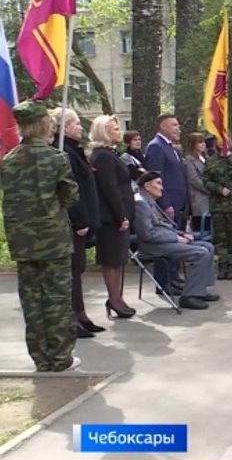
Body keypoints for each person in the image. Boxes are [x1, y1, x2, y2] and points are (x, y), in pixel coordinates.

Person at [2, 102, 80, 372]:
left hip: (22, 242)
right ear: (43, 124)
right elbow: (70, 197)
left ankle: (41, 358)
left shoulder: (8, 161)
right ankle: (61, 358)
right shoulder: (56, 158)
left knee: (32, 301)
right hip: (53, 241)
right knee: (57, 299)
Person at [51, 107, 103, 338]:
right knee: (72, 270)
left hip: (84, 219)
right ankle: (72, 318)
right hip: (73, 222)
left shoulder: (74, 150)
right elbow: (69, 190)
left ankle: (81, 314)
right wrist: (79, 219)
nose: (80, 127)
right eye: (76, 123)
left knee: (78, 268)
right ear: (64, 127)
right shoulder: (63, 151)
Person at [133, 171, 219, 310]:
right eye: (158, 184)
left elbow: (161, 226)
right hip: (153, 246)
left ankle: (200, 290)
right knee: (201, 253)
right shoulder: (140, 203)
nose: (162, 188)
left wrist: (182, 234)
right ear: (147, 186)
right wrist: (175, 238)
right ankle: (189, 297)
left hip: (164, 241)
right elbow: (147, 234)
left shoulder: (148, 200)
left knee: (208, 246)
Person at [90, 115, 137, 319]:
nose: (119, 131)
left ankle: (117, 297)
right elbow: (109, 188)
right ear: (104, 131)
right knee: (111, 259)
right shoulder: (102, 156)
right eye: (115, 128)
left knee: (118, 259)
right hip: (111, 217)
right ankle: (114, 299)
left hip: (120, 214)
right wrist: (121, 215)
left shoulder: (110, 153)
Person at [144, 114, 186, 295]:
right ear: (162, 127)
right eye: (174, 125)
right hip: (166, 206)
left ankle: (174, 278)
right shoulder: (156, 147)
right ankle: (163, 284)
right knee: (165, 245)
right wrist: (165, 203)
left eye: (178, 124)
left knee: (176, 245)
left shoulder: (172, 148)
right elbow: (154, 178)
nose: (178, 128)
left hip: (179, 204)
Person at [202, 140, 232, 280]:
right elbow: (206, 181)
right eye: (220, 140)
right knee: (220, 238)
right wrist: (219, 189)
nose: (223, 143)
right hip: (218, 205)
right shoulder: (211, 161)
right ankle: (222, 265)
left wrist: (229, 159)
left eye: (225, 140)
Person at [183, 132, 210, 233]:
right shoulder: (189, 160)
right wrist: (210, 189)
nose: (203, 144)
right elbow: (194, 180)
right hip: (198, 198)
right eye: (200, 142)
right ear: (193, 144)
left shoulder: (207, 159)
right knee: (201, 227)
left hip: (210, 199)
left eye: (204, 142)